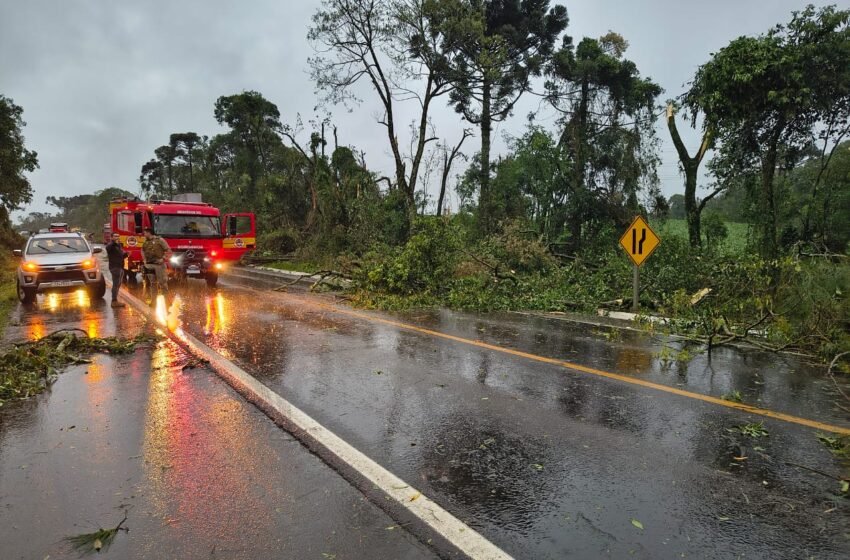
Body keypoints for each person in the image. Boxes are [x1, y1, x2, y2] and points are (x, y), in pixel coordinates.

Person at [141, 227, 171, 298]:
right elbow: (142, 250)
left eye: (145, 233)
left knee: (162, 283)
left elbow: (168, 251)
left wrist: (163, 259)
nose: (144, 234)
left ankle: (167, 300)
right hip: (149, 265)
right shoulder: (145, 242)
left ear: (149, 233)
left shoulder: (160, 240)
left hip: (159, 266)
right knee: (152, 283)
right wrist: (144, 260)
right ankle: (154, 300)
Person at [104, 232, 128, 308]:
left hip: (120, 266)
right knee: (115, 284)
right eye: (115, 236)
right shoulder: (110, 245)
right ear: (111, 237)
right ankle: (114, 301)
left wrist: (126, 254)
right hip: (115, 267)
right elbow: (108, 248)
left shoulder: (118, 246)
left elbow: (120, 256)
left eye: (118, 236)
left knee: (118, 285)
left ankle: (115, 300)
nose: (117, 237)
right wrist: (114, 242)